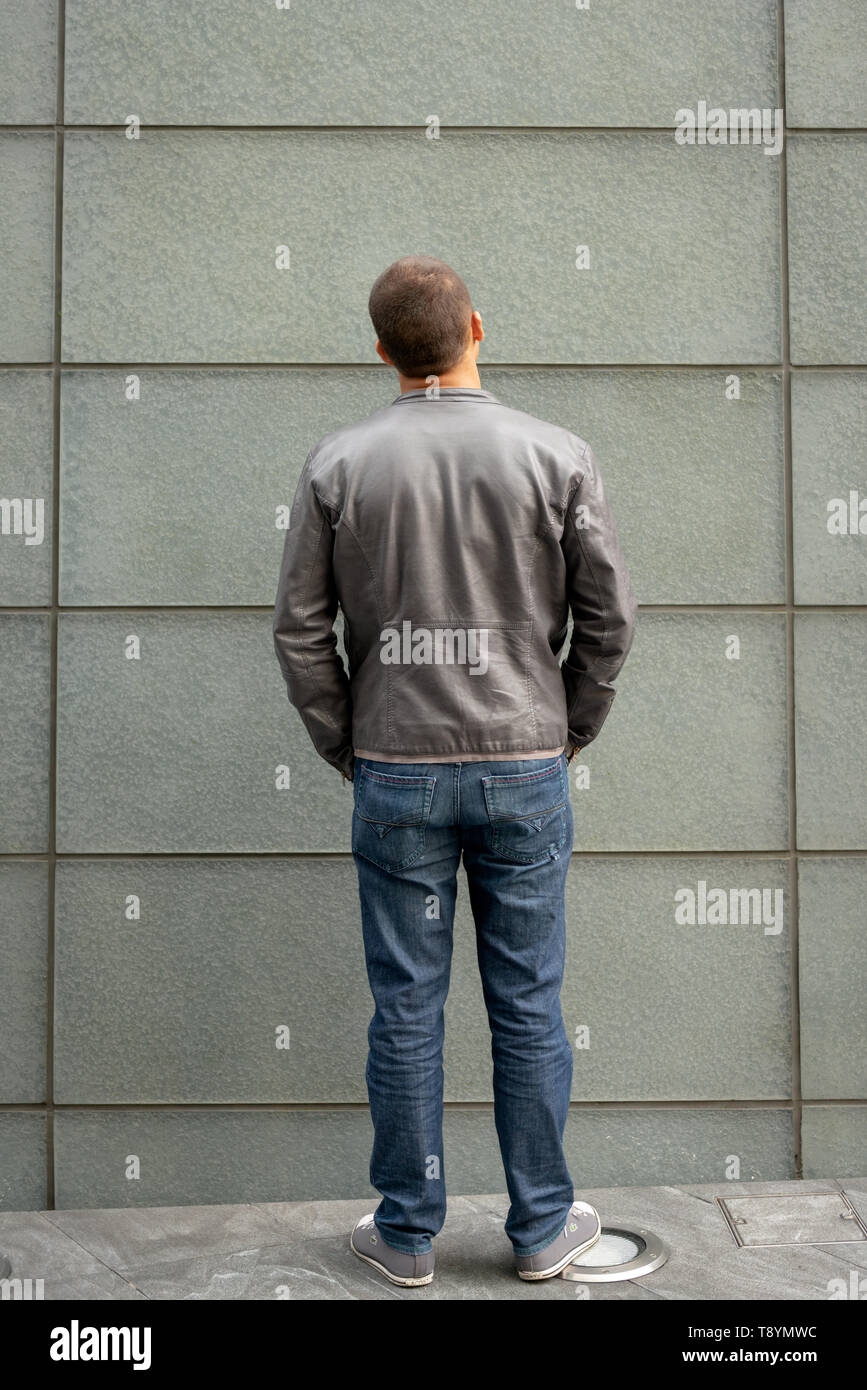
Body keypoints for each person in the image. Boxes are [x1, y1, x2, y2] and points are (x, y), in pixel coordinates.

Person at [272, 255, 637, 1286]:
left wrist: (345, 740)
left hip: (396, 767)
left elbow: (300, 631)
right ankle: (541, 1227)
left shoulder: (339, 462)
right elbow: (611, 619)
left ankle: (406, 1229)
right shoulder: (555, 453)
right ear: (478, 324)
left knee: (406, 1004)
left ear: (382, 350)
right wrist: (572, 728)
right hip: (525, 761)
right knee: (527, 1000)